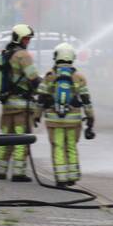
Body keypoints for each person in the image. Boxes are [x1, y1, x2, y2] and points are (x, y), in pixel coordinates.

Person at [36, 42, 95, 187]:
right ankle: (73, 176)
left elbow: (41, 98)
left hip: (54, 121)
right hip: (73, 121)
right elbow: (86, 100)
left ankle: (61, 178)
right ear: (72, 57)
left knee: (58, 147)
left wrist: (36, 116)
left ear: (56, 56)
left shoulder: (49, 76)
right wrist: (91, 119)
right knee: (71, 146)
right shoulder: (79, 78)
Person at [0, 24, 42, 181]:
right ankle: (18, 173)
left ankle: (1, 171)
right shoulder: (23, 55)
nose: (28, 41)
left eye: (29, 39)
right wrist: (46, 91)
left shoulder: (7, 53)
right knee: (21, 139)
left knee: (5, 139)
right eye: (26, 38)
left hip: (7, 105)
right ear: (19, 38)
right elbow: (33, 78)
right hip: (21, 108)